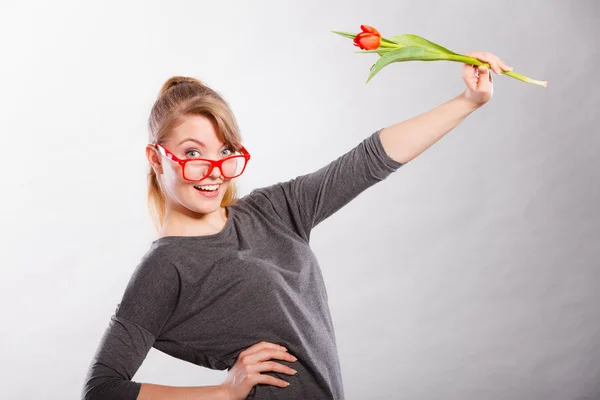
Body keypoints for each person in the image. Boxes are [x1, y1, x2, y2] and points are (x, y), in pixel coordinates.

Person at [81, 51, 511, 400]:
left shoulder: (274, 210)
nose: (214, 170)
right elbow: (102, 390)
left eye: (225, 150)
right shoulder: (166, 266)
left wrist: (467, 101)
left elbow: (367, 161)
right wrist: (223, 394)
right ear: (157, 158)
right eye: (194, 153)